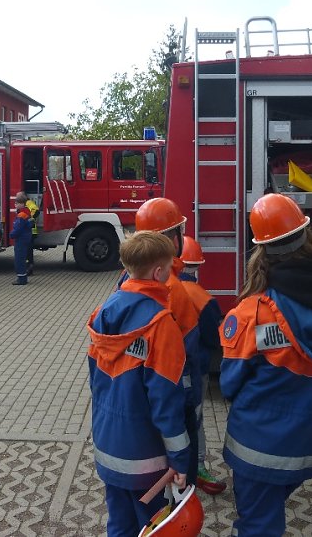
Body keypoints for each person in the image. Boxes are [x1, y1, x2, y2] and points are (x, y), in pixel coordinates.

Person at [220, 194, 312, 536]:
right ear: (309, 238)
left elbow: (228, 385)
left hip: (260, 449)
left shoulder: (251, 314)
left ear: (262, 251)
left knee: (258, 524)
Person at [87, 231, 190, 536]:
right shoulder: (162, 325)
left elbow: (96, 379)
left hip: (108, 443)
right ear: (158, 272)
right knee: (152, 527)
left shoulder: (105, 310)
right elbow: (166, 403)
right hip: (146, 456)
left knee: (119, 524)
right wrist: (181, 459)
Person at [134, 197, 202, 487]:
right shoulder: (175, 288)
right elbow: (189, 351)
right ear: (172, 239)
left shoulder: (128, 278)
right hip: (175, 393)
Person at [178, 235, 226, 496]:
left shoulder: (160, 288)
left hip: (164, 371)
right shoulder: (202, 297)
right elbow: (212, 337)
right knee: (194, 420)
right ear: (196, 267)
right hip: (196, 370)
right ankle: (197, 467)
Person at [9, 195, 33, 285]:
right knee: (22, 258)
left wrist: (11, 235)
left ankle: (21, 279)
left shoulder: (21, 215)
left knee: (19, 260)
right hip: (25, 238)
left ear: (22, 204)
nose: (15, 204)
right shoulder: (26, 212)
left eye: (17, 203)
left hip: (21, 239)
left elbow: (18, 228)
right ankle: (22, 278)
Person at [16, 191, 39, 275]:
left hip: (31, 231)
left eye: (17, 196)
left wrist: (29, 218)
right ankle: (29, 268)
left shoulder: (29, 203)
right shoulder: (25, 204)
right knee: (28, 252)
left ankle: (29, 268)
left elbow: (36, 211)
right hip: (29, 231)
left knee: (28, 252)